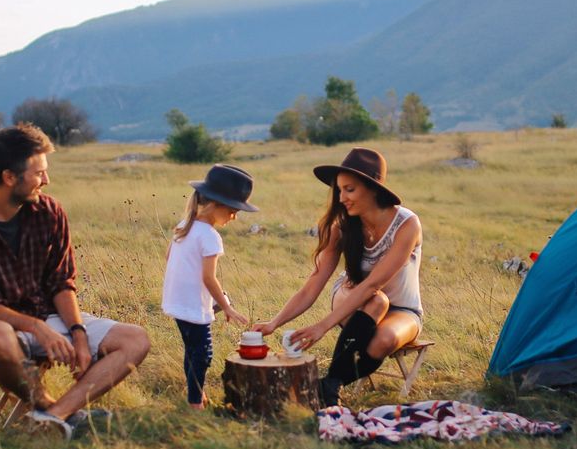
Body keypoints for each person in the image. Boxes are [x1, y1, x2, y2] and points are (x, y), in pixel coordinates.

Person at [0, 124, 151, 439]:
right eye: (39, 173)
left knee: (135, 339)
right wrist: (35, 327)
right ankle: (53, 409)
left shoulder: (49, 212)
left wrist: (79, 335)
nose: (47, 180)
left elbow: (61, 281)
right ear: (9, 177)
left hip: (48, 318)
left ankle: (54, 416)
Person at [254, 147, 423, 406]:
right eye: (339, 190)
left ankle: (329, 383)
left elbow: (375, 283)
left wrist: (322, 326)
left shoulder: (407, 224)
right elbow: (313, 284)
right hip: (354, 299)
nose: (342, 197)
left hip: (403, 310)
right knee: (377, 301)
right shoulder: (342, 226)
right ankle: (329, 390)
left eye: (350, 189)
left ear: (373, 188)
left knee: (384, 338)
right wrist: (274, 323)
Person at [162, 165, 257, 409]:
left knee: (192, 352)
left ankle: (197, 394)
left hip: (177, 301)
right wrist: (226, 307)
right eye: (233, 211)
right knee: (203, 355)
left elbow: (168, 256)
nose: (234, 217)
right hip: (193, 307)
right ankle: (195, 404)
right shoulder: (210, 235)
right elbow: (209, 278)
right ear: (216, 204)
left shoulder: (185, 224)